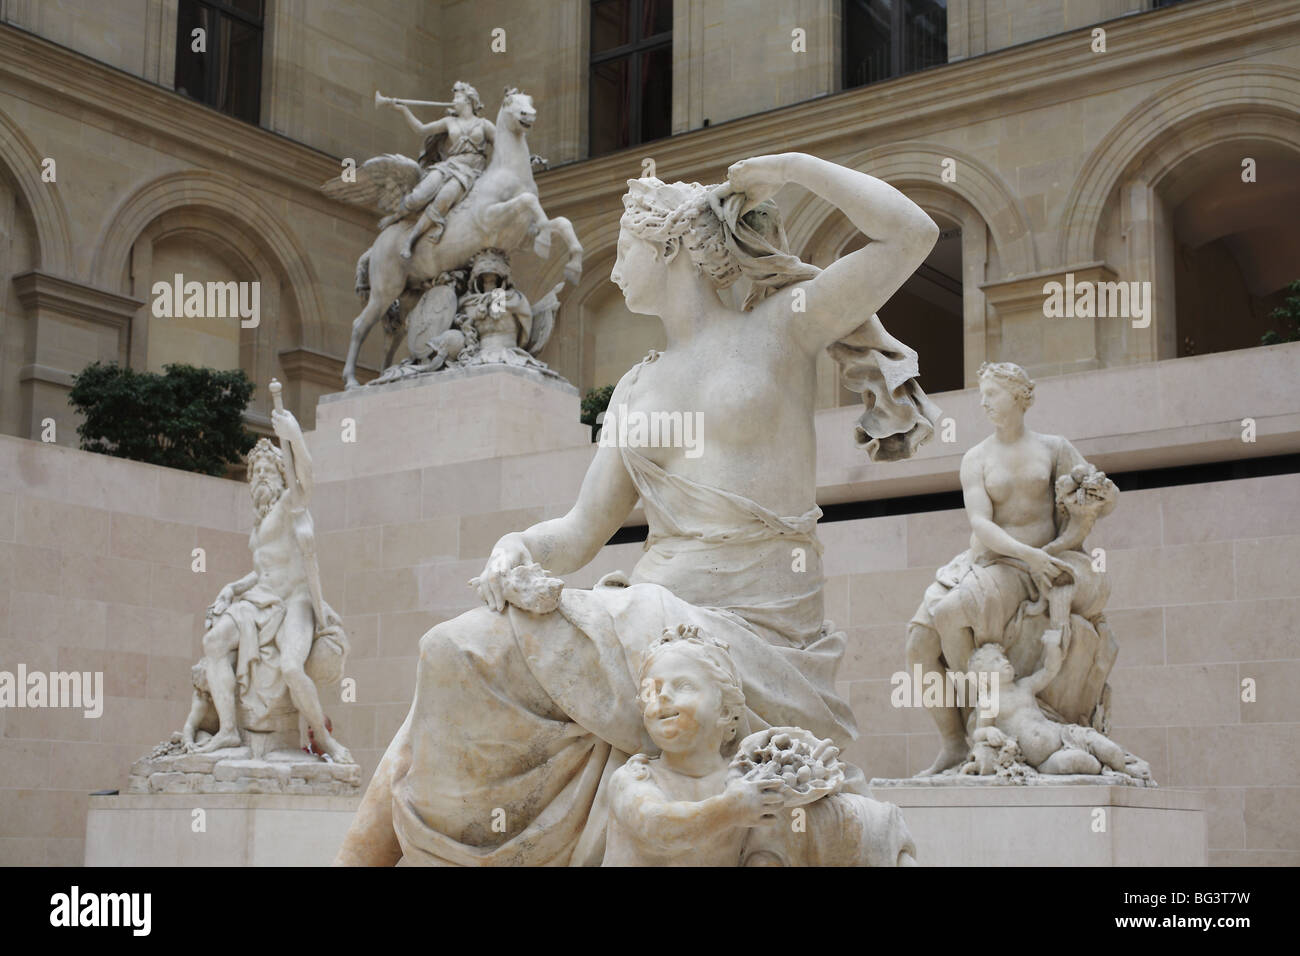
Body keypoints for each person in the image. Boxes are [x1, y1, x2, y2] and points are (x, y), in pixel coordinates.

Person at [334, 152, 940, 866]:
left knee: (456, 652)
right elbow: (581, 531)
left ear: (674, 245)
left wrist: (792, 166)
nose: (613, 264)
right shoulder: (635, 389)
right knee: (455, 652)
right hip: (648, 610)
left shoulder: (781, 328)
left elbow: (911, 234)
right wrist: (516, 548)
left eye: (626, 246)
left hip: (752, 625)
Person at [907, 362, 1115, 775]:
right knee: (918, 644)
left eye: (993, 393)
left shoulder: (1055, 448)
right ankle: (953, 743)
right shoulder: (976, 457)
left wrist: (1089, 508)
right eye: (981, 395)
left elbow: (1096, 499)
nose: (984, 402)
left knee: (950, 613)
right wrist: (1027, 555)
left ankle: (983, 719)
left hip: (1048, 559)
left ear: (1020, 397)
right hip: (994, 560)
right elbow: (981, 523)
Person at [378, 81, 494, 259]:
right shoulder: (449, 121)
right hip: (449, 166)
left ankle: (412, 238)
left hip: (469, 173)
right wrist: (403, 111)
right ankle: (397, 216)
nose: (454, 100)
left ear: (469, 100)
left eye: (457, 96)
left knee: (443, 199)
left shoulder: (484, 125)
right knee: (419, 195)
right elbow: (421, 130)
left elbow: (504, 145)